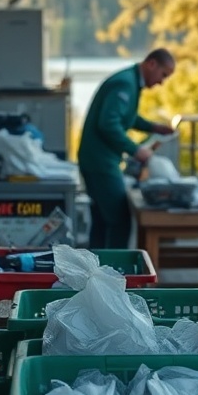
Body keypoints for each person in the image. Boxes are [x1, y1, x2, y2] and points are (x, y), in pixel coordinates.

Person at [77, 48, 177, 248]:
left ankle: (94, 270)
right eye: (163, 75)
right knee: (120, 220)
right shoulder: (125, 83)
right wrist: (135, 150)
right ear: (152, 64)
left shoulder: (130, 80)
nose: (161, 82)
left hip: (95, 159)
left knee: (102, 221)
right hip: (101, 162)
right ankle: (117, 273)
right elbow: (108, 123)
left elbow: (126, 117)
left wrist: (153, 127)